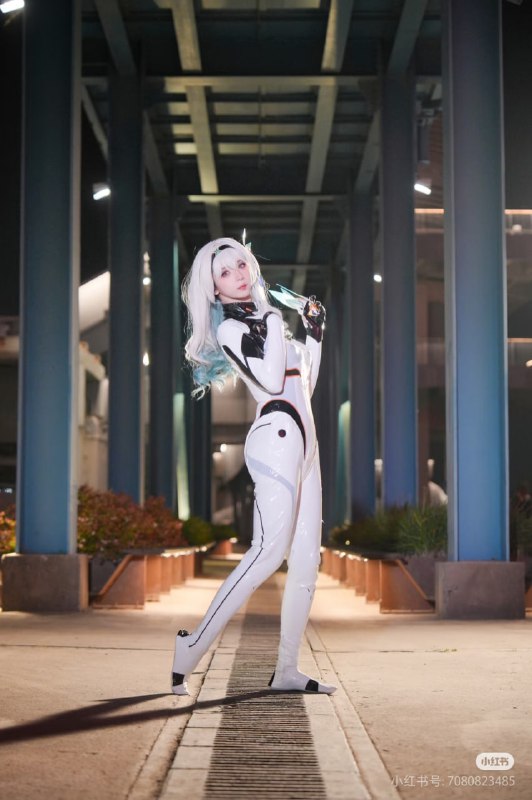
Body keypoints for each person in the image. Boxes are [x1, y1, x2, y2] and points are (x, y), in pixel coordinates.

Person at [171, 237, 335, 696]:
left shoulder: (268, 321)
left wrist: (314, 332)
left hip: (306, 442)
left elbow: (304, 383)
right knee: (268, 552)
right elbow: (270, 379)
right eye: (225, 272)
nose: (238, 275)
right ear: (214, 289)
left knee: (306, 560)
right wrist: (274, 319)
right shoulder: (231, 329)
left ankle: (287, 669)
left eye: (241, 264)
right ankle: (191, 647)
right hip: (276, 437)